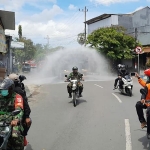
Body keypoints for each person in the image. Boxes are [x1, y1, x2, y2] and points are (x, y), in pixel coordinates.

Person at [0, 78, 24, 149]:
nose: (3, 92)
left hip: (12, 120)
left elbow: (19, 109)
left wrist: (16, 119)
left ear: (11, 89)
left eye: (5, 90)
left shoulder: (17, 97)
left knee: (15, 135)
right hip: (1, 119)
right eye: (2, 90)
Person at [8, 73, 31, 145]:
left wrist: (26, 116)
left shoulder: (18, 90)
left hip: (16, 113)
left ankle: (22, 138)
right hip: (7, 114)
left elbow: (23, 104)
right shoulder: (9, 90)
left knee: (17, 134)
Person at [135, 70, 150, 139]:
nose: (147, 78)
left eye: (147, 77)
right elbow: (144, 91)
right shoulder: (148, 85)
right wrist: (143, 98)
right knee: (138, 105)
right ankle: (143, 122)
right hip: (147, 103)